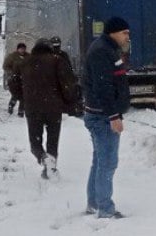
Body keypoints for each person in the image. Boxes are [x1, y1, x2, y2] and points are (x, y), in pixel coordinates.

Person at [82, 16, 131, 219]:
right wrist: (113, 115)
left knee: (99, 160)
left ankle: (94, 203)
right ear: (113, 32)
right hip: (102, 117)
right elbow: (103, 87)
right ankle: (105, 208)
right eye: (124, 33)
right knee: (108, 162)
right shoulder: (102, 51)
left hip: (101, 114)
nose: (127, 36)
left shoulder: (107, 48)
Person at [20, 38, 77, 179]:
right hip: (53, 107)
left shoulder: (25, 62)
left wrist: (23, 97)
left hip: (32, 108)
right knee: (53, 139)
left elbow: (13, 82)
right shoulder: (57, 61)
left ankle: (42, 156)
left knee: (35, 141)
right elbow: (67, 83)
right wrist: (69, 101)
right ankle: (50, 167)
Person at [50, 35, 82, 116]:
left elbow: (69, 67)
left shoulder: (62, 55)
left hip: (62, 80)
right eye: (55, 45)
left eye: (57, 45)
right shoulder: (52, 56)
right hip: (57, 80)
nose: (56, 47)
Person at [2, 42, 28, 116]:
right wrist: (12, 73)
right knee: (15, 95)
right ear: (18, 49)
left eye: (24, 49)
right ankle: (11, 107)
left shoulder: (28, 56)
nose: (22, 50)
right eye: (21, 49)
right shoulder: (12, 57)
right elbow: (5, 66)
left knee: (24, 96)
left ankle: (21, 111)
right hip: (14, 80)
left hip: (24, 80)